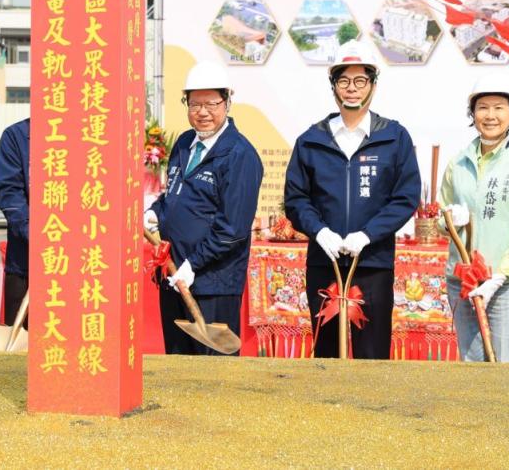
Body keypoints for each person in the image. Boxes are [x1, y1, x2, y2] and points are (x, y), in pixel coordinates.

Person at [285, 40, 421, 359]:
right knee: (327, 353)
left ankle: (372, 410)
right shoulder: (311, 140)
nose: (352, 89)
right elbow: (296, 198)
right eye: (344, 80)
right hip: (325, 263)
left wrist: (368, 234)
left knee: (372, 354)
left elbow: (405, 197)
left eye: (361, 80)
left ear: (373, 84)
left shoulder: (394, 137)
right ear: (333, 85)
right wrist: (320, 232)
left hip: (372, 264)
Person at [144, 60, 263, 355]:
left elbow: (232, 229)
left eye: (212, 103)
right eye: (195, 104)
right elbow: (175, 196)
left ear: (227, 102)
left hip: (213, 283)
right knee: (178, 362)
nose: (203, 112)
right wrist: (154, 212)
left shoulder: (239, 155)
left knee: (212, 373)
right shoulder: (185, 144)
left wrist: (193, 266)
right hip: (174, 276)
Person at [439, 74, 509, 363]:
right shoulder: (458, 162)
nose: (490, 115)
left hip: (505, 286)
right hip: (462, 281)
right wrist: (451, 218)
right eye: (482, 107)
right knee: (471, 363)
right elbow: (440, 214)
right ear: (472, 114)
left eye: (499, 107)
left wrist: (498, 277)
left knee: (505, 367)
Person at [0, 117, 29, 328]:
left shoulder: (93, 137)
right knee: (22, 350)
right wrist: (42, 238)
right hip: (26, 264)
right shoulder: (16, 135)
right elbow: (9, 193)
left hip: (83, 269)